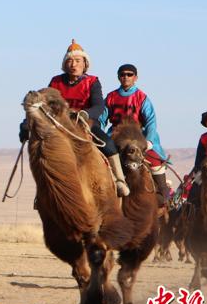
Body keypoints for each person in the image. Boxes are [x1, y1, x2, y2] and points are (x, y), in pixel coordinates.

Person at [19, 39, 130, 196]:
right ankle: (43, 192)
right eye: (70, 61)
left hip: (86, 123)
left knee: (108, 144)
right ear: (65, 65)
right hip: (61, 125)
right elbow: (41, 104)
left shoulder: (92, 82)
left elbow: (99, 106)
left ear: (84, 63)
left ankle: (119, 180)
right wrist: (26, 124)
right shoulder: (56, 82)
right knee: (42, 150)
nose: (73, 64)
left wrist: (85, 114)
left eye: (78, 60)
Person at [99, 64, 169, 206]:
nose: (126, 77)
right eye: (123, 74)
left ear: (135, 77)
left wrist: (149, 141)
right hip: (116, 136)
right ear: (118, 77)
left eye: (129, 74)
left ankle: (162, 195)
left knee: (155, 162)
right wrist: (99, 136)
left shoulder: (142, 97)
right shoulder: (111, 97)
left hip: (140, 136)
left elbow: (151, 122)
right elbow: (101, 119)